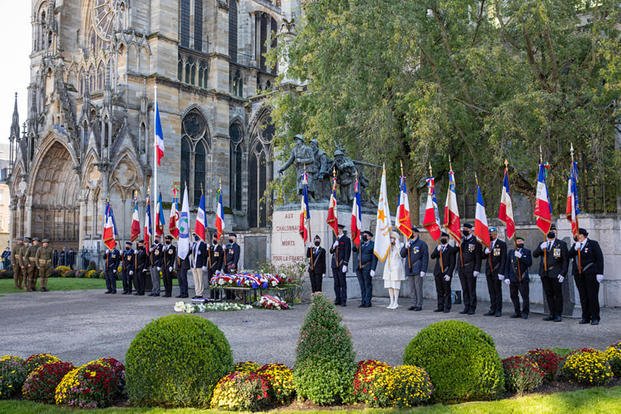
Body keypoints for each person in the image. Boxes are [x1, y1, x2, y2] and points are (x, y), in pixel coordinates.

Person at [533, 225, 568, 322]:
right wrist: (540, 248)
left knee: (557, 294)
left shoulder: (561, 244)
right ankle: (551, 313)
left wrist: (563, 273)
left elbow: (565, 260)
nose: (552, 232)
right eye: (550, 230)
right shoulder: (543, 243)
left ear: (556, 232)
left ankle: (558, 314)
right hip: (545, 273)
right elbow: (535, 255)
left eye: (553, 230)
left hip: (556, 273)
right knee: (548, 294)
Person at [569, 228, 605, 325]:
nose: (577, 236)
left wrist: (600, 273)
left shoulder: (593, 244)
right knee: (583, 296)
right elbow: (569, 255)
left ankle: (595, 317)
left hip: (591, 274)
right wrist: (574, 249)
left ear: (584, 235)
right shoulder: (576, 245)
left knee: (592, 296)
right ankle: (585, 317)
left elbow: (599, 259)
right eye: (576, 235)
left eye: (579, 235)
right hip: (579, 274)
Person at [400, 227, 429, 311]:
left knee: (418, 287)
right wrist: (405, 247)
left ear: (416, 233)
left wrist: (423, 270)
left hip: (418, 268)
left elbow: (425, 257)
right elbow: (402, 255)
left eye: (412, 232)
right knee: (411, 288)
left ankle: (419, 305)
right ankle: (413, 303)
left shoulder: (421, 244)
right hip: (409, 268)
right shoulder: (408, 243)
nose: (411, 234)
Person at [457, 224, 482, 315]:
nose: (464, 230)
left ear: (471, 230)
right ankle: (466, 306)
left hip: (471, 268)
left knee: (471, 289)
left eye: (466, 229)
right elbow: (459, 253)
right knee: (464, 288)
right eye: (463, 229)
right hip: (462, 268)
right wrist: (458, 244)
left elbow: (478, 256)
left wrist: (477, 269)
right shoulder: (462, 240)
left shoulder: (475, 241)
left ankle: (472, 307)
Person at [505, 236, 532, 319]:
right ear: (515, 243)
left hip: (522, 278)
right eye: (517, 241)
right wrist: (506, 277)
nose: (519, 242)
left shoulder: (527, 251)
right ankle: (517, 312)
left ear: (523, 242)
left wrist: (521, 257)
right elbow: (507, 265)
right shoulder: (511, 252)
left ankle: (525, 312)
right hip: (513, 278)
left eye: (521, 241)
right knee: (513, 296)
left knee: (525, 296)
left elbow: (529, 263)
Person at [483, 227, 507, 317]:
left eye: (491, 234)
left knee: (497, 291)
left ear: (496, 234)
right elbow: (483, 256)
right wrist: (485, 251)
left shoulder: (501, 244)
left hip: (497, 271)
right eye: (489, 234)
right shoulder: (487, 244)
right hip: (489, 271)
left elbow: (503, 259)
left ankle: (498, 310)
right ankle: (492, 308)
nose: (490, 235)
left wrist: (502, 272)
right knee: (491, 291)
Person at [430, 232, 456, 313]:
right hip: (438, 272)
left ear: (448, 239)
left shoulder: (451, 249)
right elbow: (432, 256)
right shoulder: (438, 247)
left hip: (446, 273)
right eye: (442, 238)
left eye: (444, 238)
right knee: (439, 291)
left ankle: (447, 307)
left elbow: (452, 263)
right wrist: (437, 250)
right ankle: (440, 306)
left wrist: (449, 274)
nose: (443, 239)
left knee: (447, 291)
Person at [353, 231, 377, 307]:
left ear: (370, 237)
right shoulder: (361, 244)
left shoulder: (372, 245)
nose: (364, 236)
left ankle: (368, 302)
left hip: (367, 267)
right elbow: (353, 249)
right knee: (362, 285)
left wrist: (373, 268)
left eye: (365, 235)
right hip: (359, 267)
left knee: (367, 285)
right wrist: (357, 242)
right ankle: (363, 301)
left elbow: (374, 258)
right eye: (363, 235)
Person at [329, 224, 351, 306]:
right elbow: (331, 251)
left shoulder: (346, 239)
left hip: (342, 264)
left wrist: (345, 263)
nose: (336, 231)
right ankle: (337, 299)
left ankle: (343, 300)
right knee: (336, 283)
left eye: (337, 229)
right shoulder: (336, 239)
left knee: (342, 283)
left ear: (341, 229)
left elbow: (347, 252)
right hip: (334, 264)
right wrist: (334, 246)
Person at [384, 231, 405, 309]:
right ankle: (391, 301)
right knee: (389, 285)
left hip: (396, 267)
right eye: (390, 238)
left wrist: (397, 244)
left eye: (393, 238)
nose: (391, 240)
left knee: (395, 285)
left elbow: (401, 255)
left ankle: (396, 302)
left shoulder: (401, 245)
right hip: (388, 267)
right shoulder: (388, 246)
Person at [190, 233, 207, 299]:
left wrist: (204, 265)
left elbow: (205, 255)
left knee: (200, 280)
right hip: (193, 264)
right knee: (195, 280)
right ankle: (197, 293)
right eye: (194, 235)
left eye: (196, 235)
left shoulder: (202, 244)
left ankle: (200, 293)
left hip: (200, 264)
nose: (195, 237)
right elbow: (190, 252)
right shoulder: (194, 244)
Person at [207, 232, 224, 299]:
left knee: (216, 283)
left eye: (216, 238)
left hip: (216, 267)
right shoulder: (211, 247)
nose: (214, 239)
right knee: (210, 282)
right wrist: (207, 249)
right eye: (214, 237)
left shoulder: (220, 248)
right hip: (210, 267)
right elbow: (207, 256)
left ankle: (216, 297)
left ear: (218, 239)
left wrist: (218, 269)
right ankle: (211, 296)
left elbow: (220, 260)